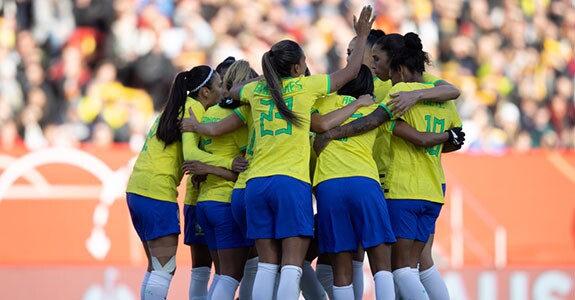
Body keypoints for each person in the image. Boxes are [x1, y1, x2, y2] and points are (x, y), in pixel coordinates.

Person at [221, 6, 375, 300]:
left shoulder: (256, 91)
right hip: (290, 183)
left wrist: (266, 80)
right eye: (304, 62)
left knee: (267, 264)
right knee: (292, 264)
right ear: (295, 68)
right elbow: (352, 71)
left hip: (255, 184)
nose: (306, 66)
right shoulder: (307, 87)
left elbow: (232, 91)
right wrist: (363, 34)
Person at [125, 65, 245, 300]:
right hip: (157, 193)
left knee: (155, 267)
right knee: (163, 269)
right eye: (219, 86)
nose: (223, 91)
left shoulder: (173, 107)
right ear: (205, 93)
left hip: (137, 190)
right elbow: (191, 154)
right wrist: (229, 162)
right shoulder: (193, 110)